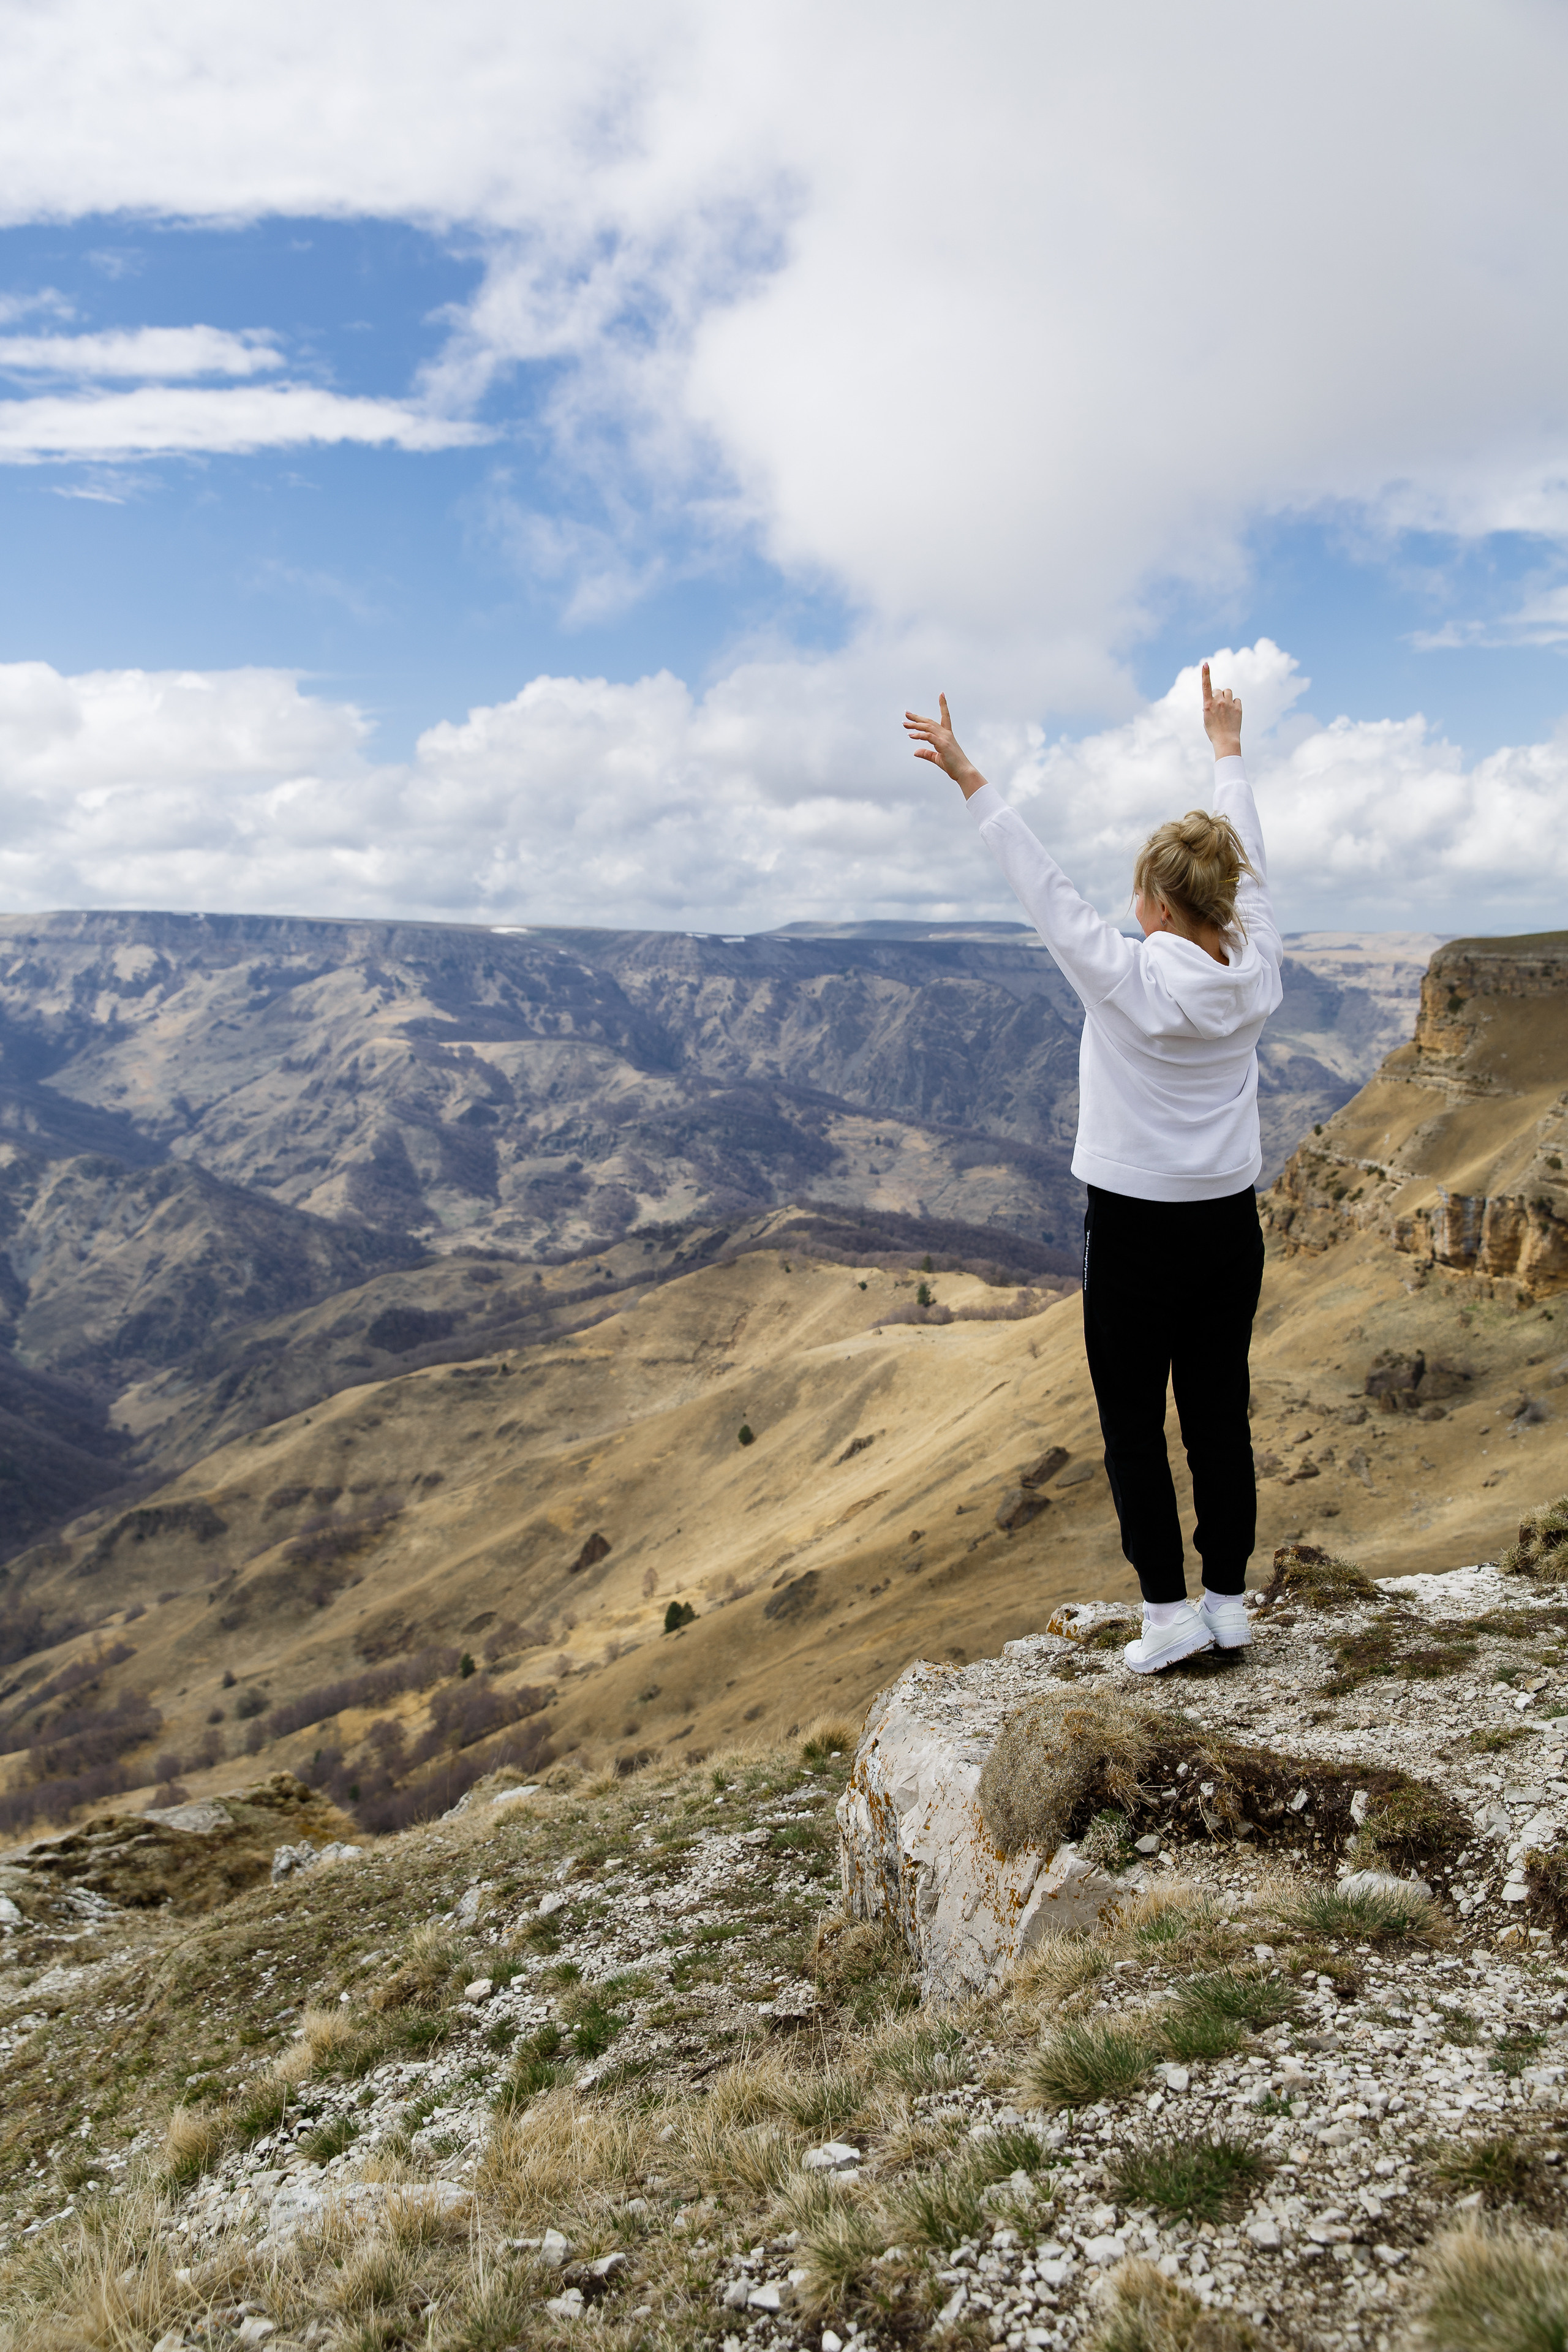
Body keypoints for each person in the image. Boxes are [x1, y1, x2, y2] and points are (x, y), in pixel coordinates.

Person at [903, 666, 1282, 1672]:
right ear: (1224, 900)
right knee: (1219, 1416)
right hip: (1230, 1225)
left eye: (1138, 893)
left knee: (1133, 1427)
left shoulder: (1125, 976)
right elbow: (1255, 871)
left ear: (1156, 903)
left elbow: (1045, 891)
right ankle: (1229, 1603)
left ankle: (1167, 1617)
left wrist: (970, 778)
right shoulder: (1259, 969)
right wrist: (1227, 750)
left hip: (1135, 1231)